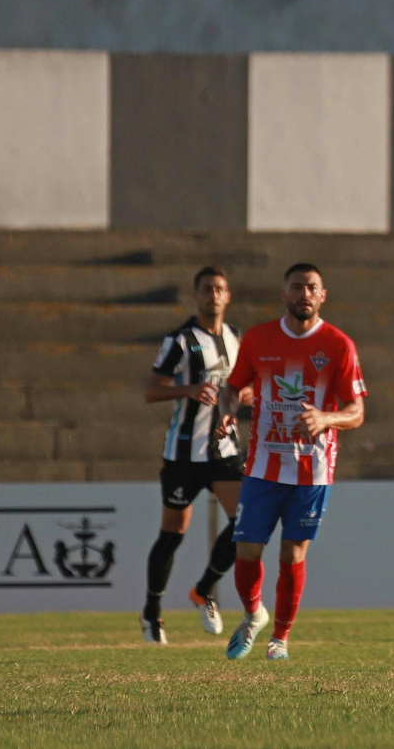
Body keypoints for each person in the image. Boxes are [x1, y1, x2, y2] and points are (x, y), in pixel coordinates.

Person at [216, 263, 366, 661]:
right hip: (263, 465)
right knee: (246, 552)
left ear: (322, 295)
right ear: (284, 294)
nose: (304, 294)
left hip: (312, 470)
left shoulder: (339, 345)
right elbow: (233, 388)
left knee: (292, 555)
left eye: (311, 287)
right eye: (296, 287)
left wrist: (326, 418)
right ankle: (253, 615)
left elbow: (356, 411)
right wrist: (227, 412)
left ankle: (280, 639)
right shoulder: (258, 338)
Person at [140, 266, 249, 644]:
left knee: (247, 522)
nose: (213, 295)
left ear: (228, 296)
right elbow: (152, 390)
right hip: (184, 453)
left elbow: (246, 388)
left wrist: (244, 396)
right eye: (206, 289)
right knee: (172, 534)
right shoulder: (181, 341)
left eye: (219, 289)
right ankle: (151, 612)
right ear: (196, 295)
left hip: (224, 449)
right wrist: (187, 390)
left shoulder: (236, 338)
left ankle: (203, 591)